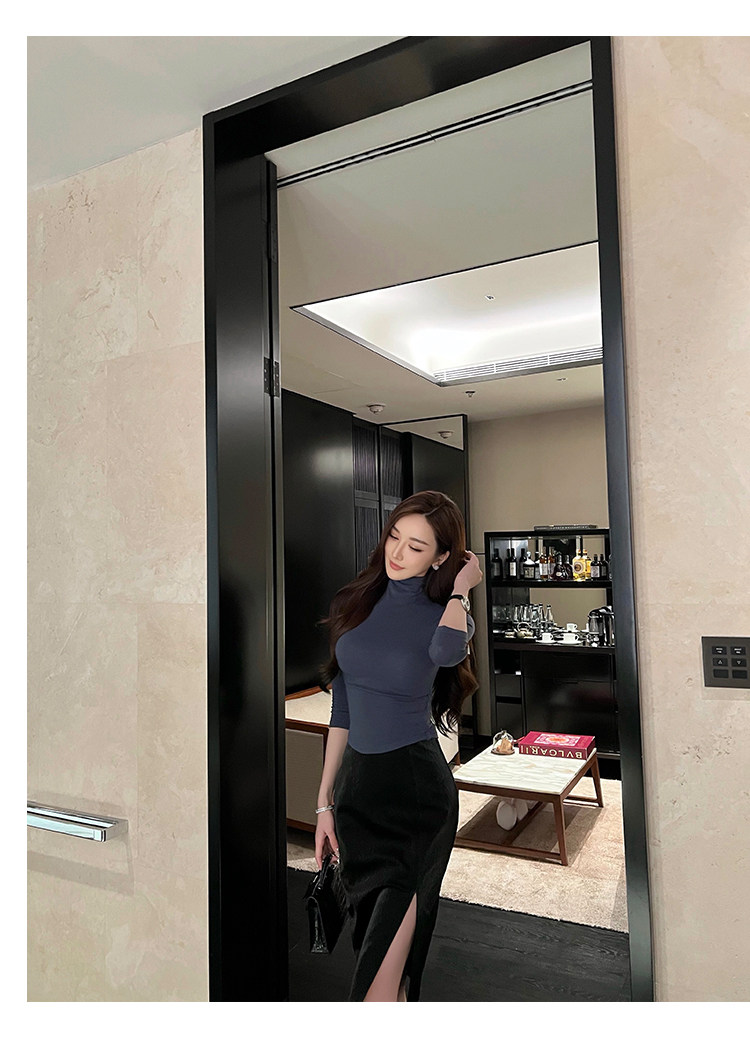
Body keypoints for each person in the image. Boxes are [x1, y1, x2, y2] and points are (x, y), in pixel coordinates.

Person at [315, 490, 481, 1002]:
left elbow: (446, 652)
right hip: (358, 794)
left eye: (417, 546)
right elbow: (342, 712)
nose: (398, 552)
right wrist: (324, 803)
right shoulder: (355, 602)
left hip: (414, 797)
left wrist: (461, 589)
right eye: (394, 537)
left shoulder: (448, 615)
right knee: (379, 958)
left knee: (377, 979)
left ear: (441, 557)